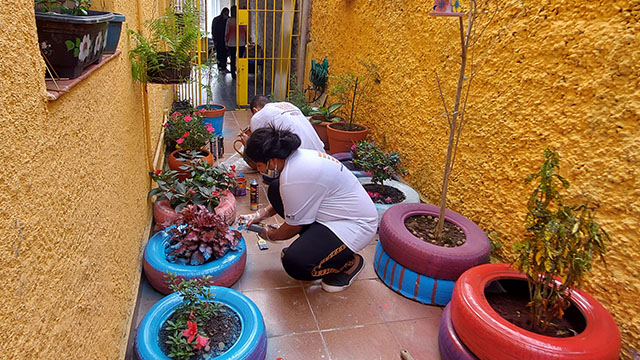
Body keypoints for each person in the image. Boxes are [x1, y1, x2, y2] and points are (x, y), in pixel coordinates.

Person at [240, 127, 378, 292]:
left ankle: (348, 263)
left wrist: (268, 234)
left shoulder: (294, 176)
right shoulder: (296, 158)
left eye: (259, 165)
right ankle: (317, 246)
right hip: (334, 213)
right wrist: (260, 215)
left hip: (354, 224)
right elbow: (291, 198)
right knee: (276, 189)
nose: (260, 170)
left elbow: (292, 228)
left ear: (271, 159)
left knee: (296, 263)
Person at [243, 95, 326, 153]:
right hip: (321, 153)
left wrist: (247, 143)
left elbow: (256, 150)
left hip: (301, 158)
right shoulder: (287, 105)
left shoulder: (257, 116)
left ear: (255, 111)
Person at [224, 5, 247, 79]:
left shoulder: (229, 21)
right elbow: (246, 31)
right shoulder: (242, 20)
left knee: (233, 59)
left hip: (232, 43)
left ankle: (233, 74)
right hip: (241, 42)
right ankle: (240, 73)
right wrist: (246, 40)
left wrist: (226, 42)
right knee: (240, 59)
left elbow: (227, 33)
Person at [211, 7, 229, 73]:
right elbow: (213, 30)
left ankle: (223, 67)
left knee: (224, 55)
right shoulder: (216, 20)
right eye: (225, 14)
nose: (226, 15)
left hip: (225, 40)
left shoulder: (227, 20)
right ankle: (221, 68)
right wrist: (214, 40)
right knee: (220, 54)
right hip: (218, 40)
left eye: (227, 14)